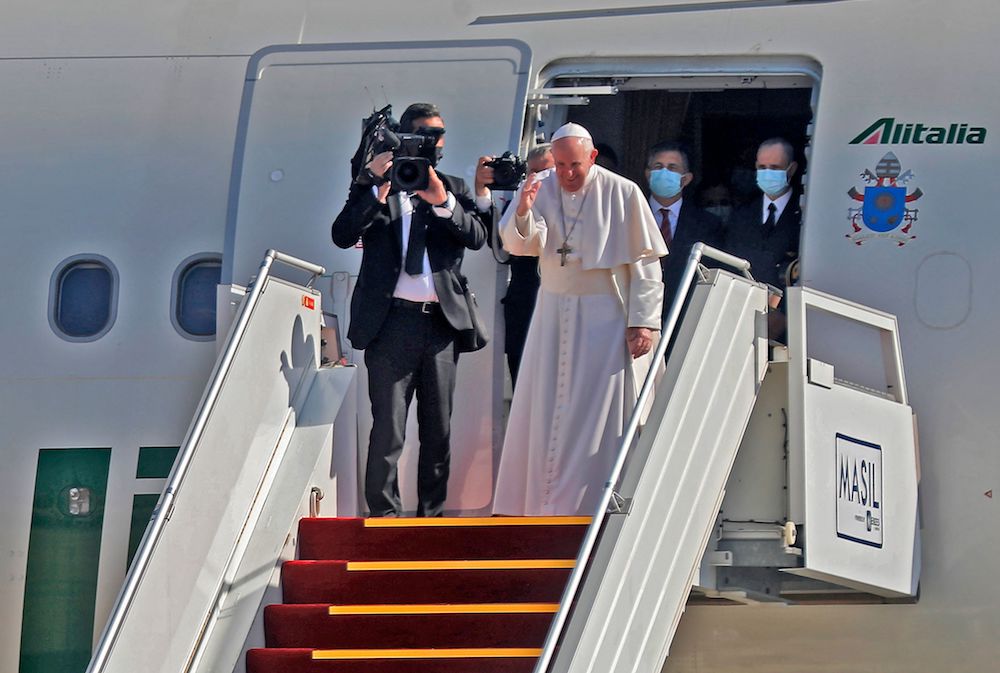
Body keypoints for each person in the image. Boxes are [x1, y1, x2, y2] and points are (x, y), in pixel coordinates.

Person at [492, 123, 667, 517]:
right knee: (546, 407)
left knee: (597, 414)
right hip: (552, 312)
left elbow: (645, 264)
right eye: (561, 165)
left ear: (592, 158)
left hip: (605, 314)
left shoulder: (623, 193)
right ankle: (543, 502)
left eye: (576, 165)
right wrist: (521, 208)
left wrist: (643, 321)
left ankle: (595, 501)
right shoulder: (543, 185)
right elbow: (522, 244)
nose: (568, 174)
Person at [331, 102, 489, 517]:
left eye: (439, 135)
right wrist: (376, 188)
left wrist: (443, 201)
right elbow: (343, 234)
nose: (433, 143)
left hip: (440, 325)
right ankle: (383, 515)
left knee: (438, 429)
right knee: (388, 428)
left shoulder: (451, 186)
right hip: (390, 324)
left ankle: (431, 516)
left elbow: (475, 237)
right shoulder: (375, 183)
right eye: (424, 135)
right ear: (404, 137)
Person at [474, 144, 554, 386]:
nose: (539, 178)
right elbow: (500, 244)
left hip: (561, 316)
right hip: (524, 311)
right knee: (523, 387)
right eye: (532, 172)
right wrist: (481, 191)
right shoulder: (522, 198)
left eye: (547, 171)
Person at [723, 137, 802, 337]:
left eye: (775, 168)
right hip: (744, 318)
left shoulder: (806, 213)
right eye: (762, 167)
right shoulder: (742, 214)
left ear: (791, 169)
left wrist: (784, 315)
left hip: (794, 324)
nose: (767, 173)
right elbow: (730, 265)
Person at [644, 141, 723, 309]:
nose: (664, 172)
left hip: (685, 314)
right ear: (648, 174)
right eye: (658, 166)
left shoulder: (708, 225)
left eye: (672, 168)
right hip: (635, 313)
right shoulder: (627, 216)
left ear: (686, 179)